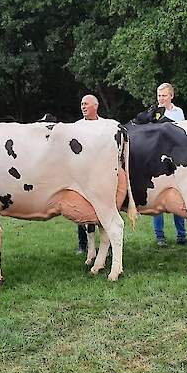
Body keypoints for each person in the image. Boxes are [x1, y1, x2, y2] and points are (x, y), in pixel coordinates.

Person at [153, 83, 187, 247]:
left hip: (175, 159)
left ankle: (181, 235)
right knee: (156, 197)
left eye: (164, 96)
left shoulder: (178, 113)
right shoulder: (153, 113)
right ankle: (160, 236)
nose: (161, 99)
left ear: (171, 96)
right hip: (157, 159)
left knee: (178, 195)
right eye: (159, 96)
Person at [75, 95, 100, 254]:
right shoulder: (76, 127)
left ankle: (107, 244)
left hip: (100, 172)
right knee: (81, 209)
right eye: (82, 104)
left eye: (86, 104)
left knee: (103, 208)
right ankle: (82, 244)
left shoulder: (104, 126)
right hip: (82, 173)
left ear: (95, 106)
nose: (83, 107)